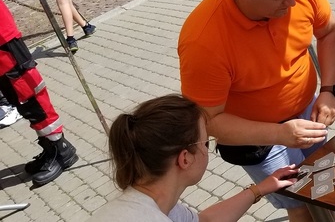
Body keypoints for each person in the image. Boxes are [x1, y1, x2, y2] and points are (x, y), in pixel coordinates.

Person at [179, 0, 335, 222]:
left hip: (309, 112)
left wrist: (329, 90)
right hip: (258, 138)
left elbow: (329, 31)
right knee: (298, 204)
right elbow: (207, 121)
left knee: (326, 186)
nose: (292, 2)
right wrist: (279, 134)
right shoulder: (203, 41)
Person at [89, 95, 299, 221]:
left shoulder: (148, 201)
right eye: (206, 142)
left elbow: (204, 221)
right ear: (185, 159)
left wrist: (260, 188)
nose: (209, 149)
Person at [0, 0, 77, 187]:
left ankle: (61, 149)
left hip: (4, 40)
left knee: (30, 96)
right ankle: (50, 147)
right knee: (18, 101)